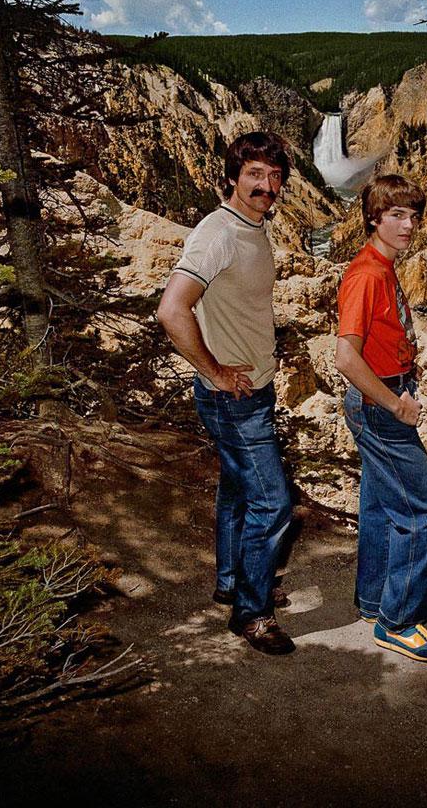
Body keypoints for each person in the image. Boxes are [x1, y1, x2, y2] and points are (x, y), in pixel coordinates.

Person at [156, 130, 297, 655]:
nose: (267, 185)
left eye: (275, 176)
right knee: (273, 501)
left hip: (251, 390)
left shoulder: (253, 227)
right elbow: (172, 310)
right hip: (233, 397)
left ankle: (232, 580)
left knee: (238, 490)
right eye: (255, 175)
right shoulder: (218, 232)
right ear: (233, 178)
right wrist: (214, 370)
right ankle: (252, 614)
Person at [333, 174, 427, 663]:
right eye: (397, 215)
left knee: (382, 505)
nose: (409, 225)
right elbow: (346, 357)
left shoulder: (382, 267)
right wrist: (395, 402)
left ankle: (373, 601)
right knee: (426, 510)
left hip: (387, 395)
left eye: (414, 215)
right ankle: (399, 621)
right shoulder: (366, 275)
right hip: (380, 406)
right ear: (374, 218)